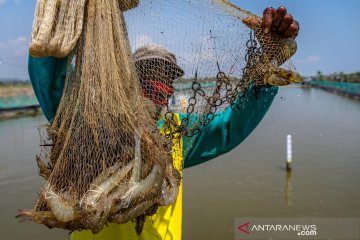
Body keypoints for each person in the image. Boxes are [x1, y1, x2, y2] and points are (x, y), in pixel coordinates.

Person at [28, 6, 299, 240]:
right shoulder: (90, 119)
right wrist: (62, 15)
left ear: (171, 89)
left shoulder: (178, 131)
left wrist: (268, 59)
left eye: (165, 77)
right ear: (126, 77)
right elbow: (52, 83)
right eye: (148, 72)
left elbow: (229, 129)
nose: (157, 84)